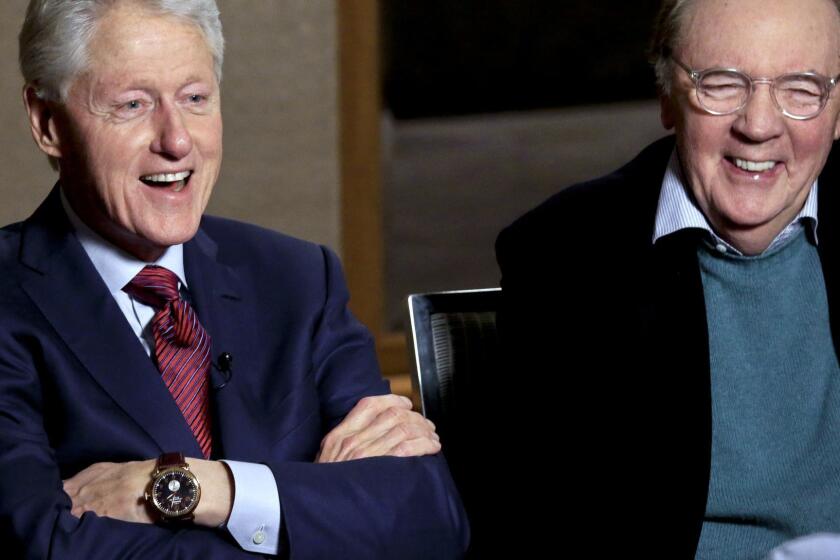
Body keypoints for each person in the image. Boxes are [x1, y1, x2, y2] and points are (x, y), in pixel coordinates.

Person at [0, 1, 469, 558]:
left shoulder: (298, 280)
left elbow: (430, 521)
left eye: (195, 99)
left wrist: (199, 489)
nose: (176, 141)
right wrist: (317, 517)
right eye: (132, 104)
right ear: (46, 122)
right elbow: (44, 547)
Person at [495, 0, 840, 558]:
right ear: (667, 96)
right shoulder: (563, 257)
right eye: (722, 84)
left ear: (838, 107)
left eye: (801, 89)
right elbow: (548, 531)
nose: (758, 125)